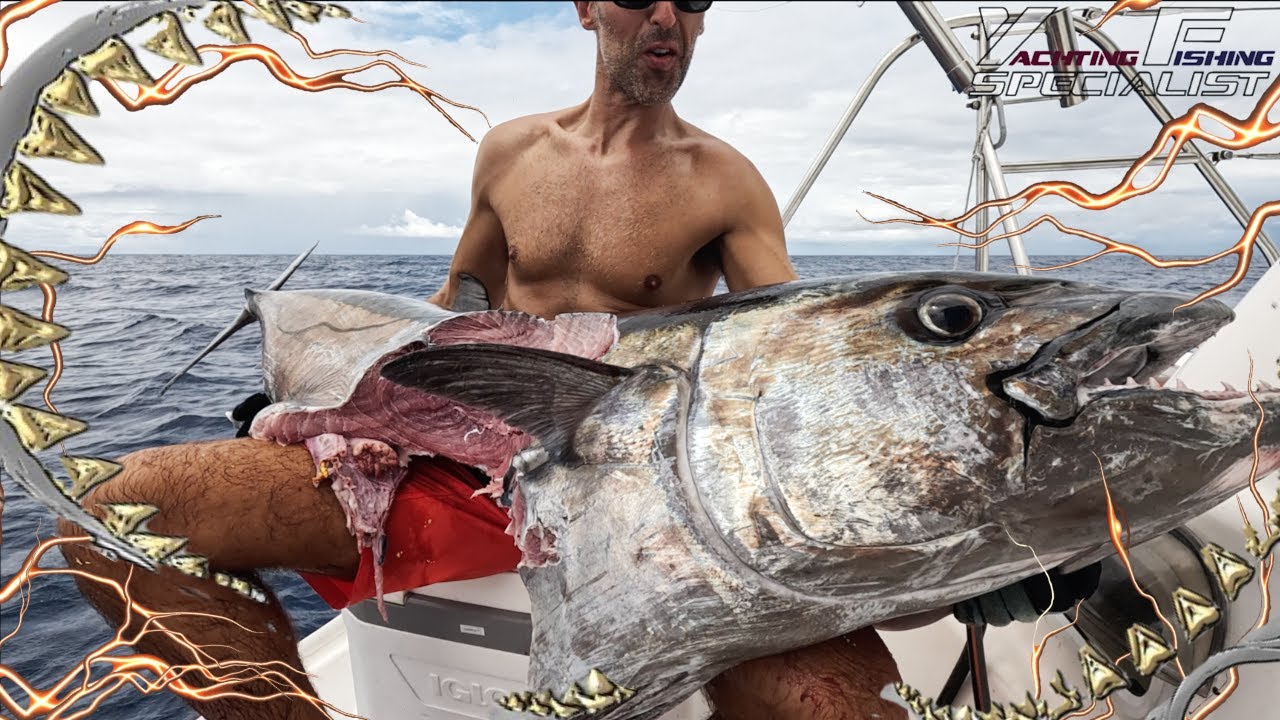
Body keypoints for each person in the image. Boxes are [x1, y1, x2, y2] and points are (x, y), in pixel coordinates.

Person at [59, 3, 1092, 719]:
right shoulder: (508, 152)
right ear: (581, 6)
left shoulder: (725, 182)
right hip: (472, 464)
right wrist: (339, 398)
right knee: (115, 512)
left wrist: (975, 545)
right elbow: (457, 303)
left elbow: (786, 359)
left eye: (693, 1)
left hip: (649, 493)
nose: (668, 21)